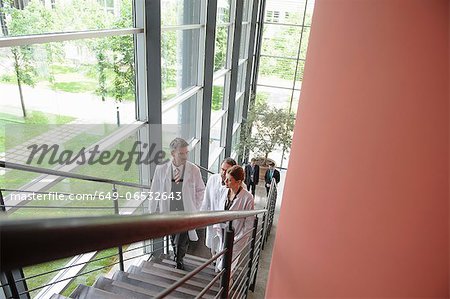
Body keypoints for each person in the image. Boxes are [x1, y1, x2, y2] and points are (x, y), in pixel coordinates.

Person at [149, 137, 205, 270]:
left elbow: (201, 190)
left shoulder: (194, 170)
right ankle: (176, 255)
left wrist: (195, 207)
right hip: (169, 210)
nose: (185, 156)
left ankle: (178, 260)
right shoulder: (161, 168)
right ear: (173, 153)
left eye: (186, 153)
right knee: (173, 236)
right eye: (181, 153)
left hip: (185, 212)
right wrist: (152, 212)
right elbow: (155, 190)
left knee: (181, 238)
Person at [214, 165, 254, 272]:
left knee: (227, 266)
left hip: (236, 236)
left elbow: (249, 224)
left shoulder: (248, 198)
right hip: (222, 231)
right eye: (226, 178)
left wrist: (238, 238)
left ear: (239, 182)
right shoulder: (222, 191)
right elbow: (217, 210)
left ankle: (225, 285)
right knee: (221, 258)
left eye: (229, 180)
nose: (225, 181)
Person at [201, 157, 237, 257]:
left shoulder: (235, 185)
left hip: (226, 223)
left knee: (224, 246)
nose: (223, 173)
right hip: (212, 219)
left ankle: (220, 265)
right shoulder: (213, 179)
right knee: (213, 244)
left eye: (226, 170)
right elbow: (206, 199)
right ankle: (214, 258)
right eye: (222, 169)